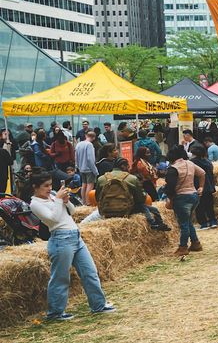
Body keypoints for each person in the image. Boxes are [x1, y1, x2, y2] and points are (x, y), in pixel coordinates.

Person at [29, 173, 116, 320]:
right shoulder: (35, 204)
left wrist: (66, 201)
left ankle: (98, 305)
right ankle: (55, 313)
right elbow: (53, 220)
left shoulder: (53, 196)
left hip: (75, 236)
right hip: (60, 239)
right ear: (35, 187)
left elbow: (73, 211)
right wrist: (57, 200)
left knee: (90, 272)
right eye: (45, 186)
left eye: (50, 185)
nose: (49, 188)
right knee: (61, 277)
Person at [89, 158, 170, 231]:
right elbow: (141, 199)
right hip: (126, 210)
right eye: (128, 167)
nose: (129, 169)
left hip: (106, 211)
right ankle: (156, 224)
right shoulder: (132, 178)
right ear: (123, 167)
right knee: (150, 209)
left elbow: (97, 198)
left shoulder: (101, 179)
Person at [163, 145, 205, 257]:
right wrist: (201, 187)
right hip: (194, 196)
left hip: (181, 197)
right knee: (187, 221)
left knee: (183, 224)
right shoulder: (190, 163)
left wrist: (170, 200)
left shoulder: (173, 169)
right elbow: (202, 173)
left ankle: (183, 247)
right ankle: (195, 243)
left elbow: (170, 187)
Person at [189, 142, 218, 230]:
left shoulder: (192, 163)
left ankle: (204, 223)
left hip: (198, 187)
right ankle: (213, 221)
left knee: (199, 206)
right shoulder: (208, 162)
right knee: (209, 205)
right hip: (209, 186)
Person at [74, 130, 98, 205]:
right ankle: (88, 203)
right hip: (89, 169)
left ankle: (84, 202)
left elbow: (76, 157)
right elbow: (90, 159)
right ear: (94, 138)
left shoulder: (78, 144)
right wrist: (95, 171)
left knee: (84, 185)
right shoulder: (89, 145)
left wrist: (78, 167)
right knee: (90, 186)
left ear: (86, 136)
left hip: (81, 168)